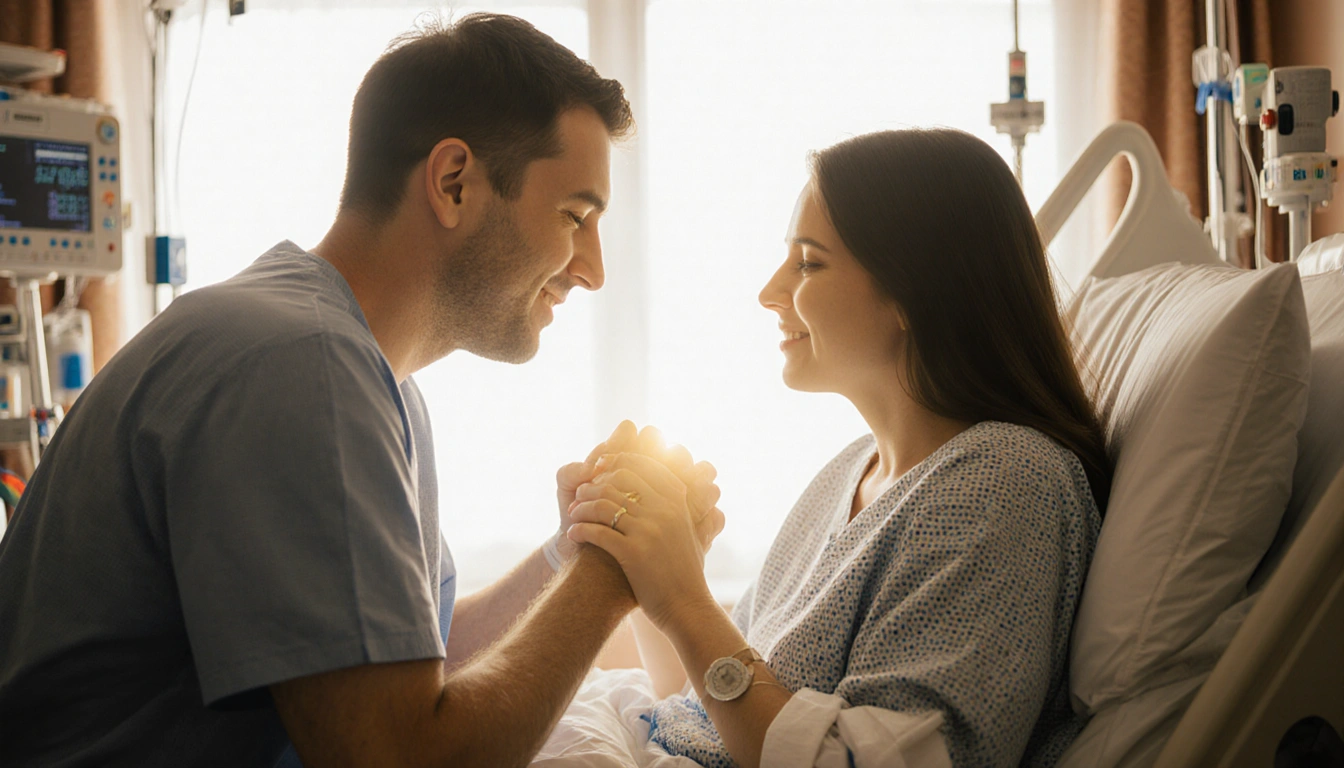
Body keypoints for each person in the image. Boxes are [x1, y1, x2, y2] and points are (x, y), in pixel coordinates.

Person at [0, 14, 722, 768]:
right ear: (453, 182)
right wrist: (614, 575)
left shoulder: (370, 376)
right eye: (575, 216)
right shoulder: (299, 368)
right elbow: (399, 754)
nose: (593, 271)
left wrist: (576, 551)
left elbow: (413, 656)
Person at [547, 129, 1111, 768]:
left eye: (809, 263)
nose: (770, 291)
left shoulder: (1002, 481)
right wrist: (639, 559)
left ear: (915, 292)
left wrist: (684, 599)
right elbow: (699, 705)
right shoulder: (850, 472)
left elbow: (870, 762)